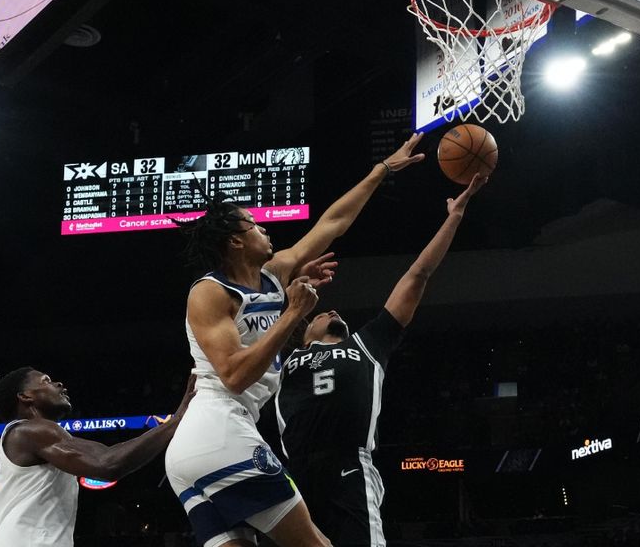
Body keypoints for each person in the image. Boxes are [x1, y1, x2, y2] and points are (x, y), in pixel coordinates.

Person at [164, 134, 425, 547]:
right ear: (235, 241)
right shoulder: (210, 292)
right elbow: (233, 375)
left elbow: (332, 224)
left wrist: (383, 170)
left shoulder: (274, 273)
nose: (265, 229)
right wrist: (293, 313)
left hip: (196, 452)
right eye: (254, 224)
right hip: (221, 428)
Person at [275, 173, 488, 546]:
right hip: (294, 478)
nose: (332, 310)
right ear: (302, 330)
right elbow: (262, 298)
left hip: (348, 469)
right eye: (320, 315)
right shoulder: (281, 353)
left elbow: (418, 275)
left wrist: (455, 215)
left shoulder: (367, 343)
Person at [0, 367, 196, 546]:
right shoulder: (31, 431)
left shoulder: (22, 437)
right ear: (25, 396)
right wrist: (175, 421)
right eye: (46, 381)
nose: (59, 384)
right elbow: (107, 463)